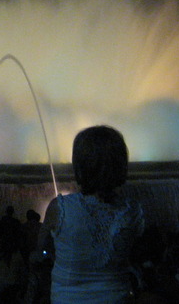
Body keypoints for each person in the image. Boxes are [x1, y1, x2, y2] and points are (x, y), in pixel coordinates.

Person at [39, 125, 144, 304]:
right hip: (117, 297)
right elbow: (137, 255)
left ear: (80, 165)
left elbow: (40, 249)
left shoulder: (61, 208)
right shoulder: (132, 211)